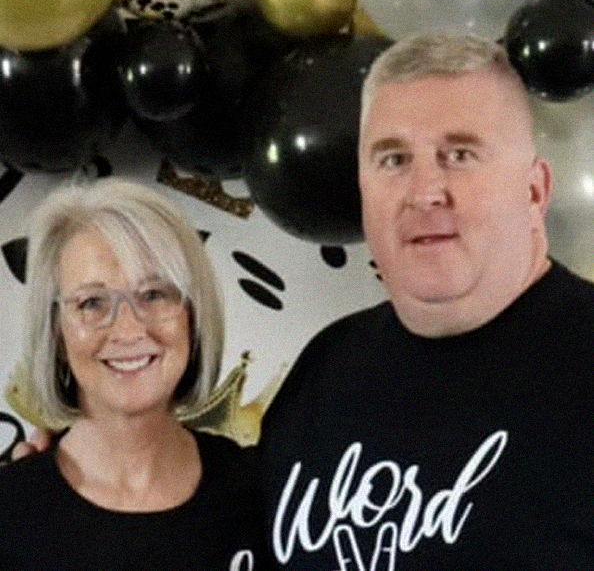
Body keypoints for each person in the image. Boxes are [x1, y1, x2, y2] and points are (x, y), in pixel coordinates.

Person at [257, 32, 594, 570]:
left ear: (534, 191)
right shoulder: (327, 368)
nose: (424, 191)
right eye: (393, 160)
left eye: (459, 155)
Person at [0, 178, 267, 570]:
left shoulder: (262, 494)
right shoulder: (9, 515)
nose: (128, 330)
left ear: (193, 315)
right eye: (92, 302)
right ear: (56, 331)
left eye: (154, 294)